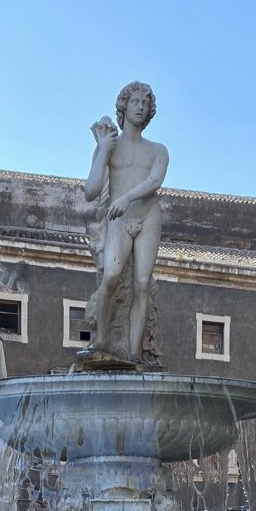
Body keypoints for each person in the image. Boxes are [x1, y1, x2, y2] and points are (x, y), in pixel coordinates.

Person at [84, 82, 169, 363]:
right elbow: (91, 191)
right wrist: (102, 150)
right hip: (118, 219)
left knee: (142, 283)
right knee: (111, 275)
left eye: (145, 103)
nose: (140, 107)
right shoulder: (110, 145)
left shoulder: (158, 150)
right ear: (123, 106)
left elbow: (155, 181)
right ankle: (101, 341)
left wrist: (127, 197)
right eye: (135, 102)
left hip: (147, 215)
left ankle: (134, 354)